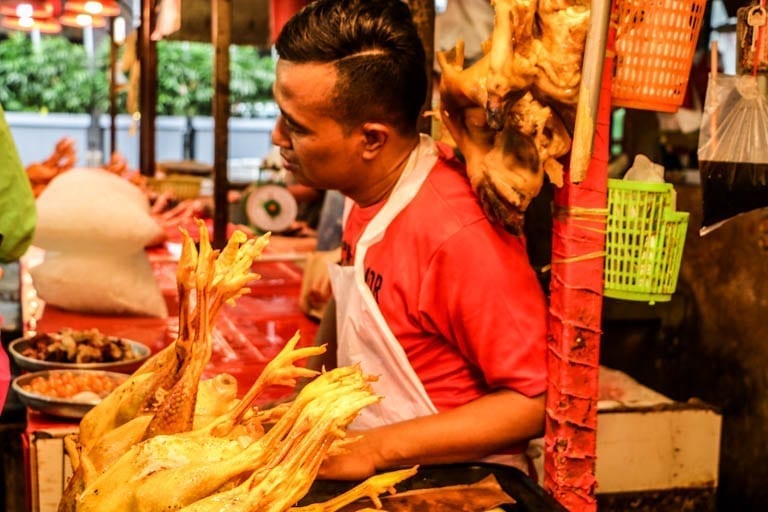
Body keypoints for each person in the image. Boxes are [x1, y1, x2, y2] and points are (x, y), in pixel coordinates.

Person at [272, 0, 547, 480]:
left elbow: (534, 400)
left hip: (459, 485)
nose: (278, 137)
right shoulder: (368, 189)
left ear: (371, 140)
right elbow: (356, 292)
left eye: (296, 126)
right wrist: (300, 401)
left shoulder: (457, 233)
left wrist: (373, 449)